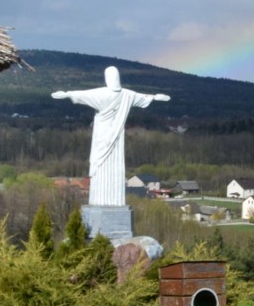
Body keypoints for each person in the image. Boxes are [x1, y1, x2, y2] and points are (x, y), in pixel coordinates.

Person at [52, 66, 170, 207]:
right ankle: (113, 201)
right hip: (114, 138)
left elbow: (83, 94)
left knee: (101, 166)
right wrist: (156, 97)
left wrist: (67, 94)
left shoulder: (103, 94)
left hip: (104, 136)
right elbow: (143, 97)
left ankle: (103, 201)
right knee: (109, 167)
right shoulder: (128, 95)